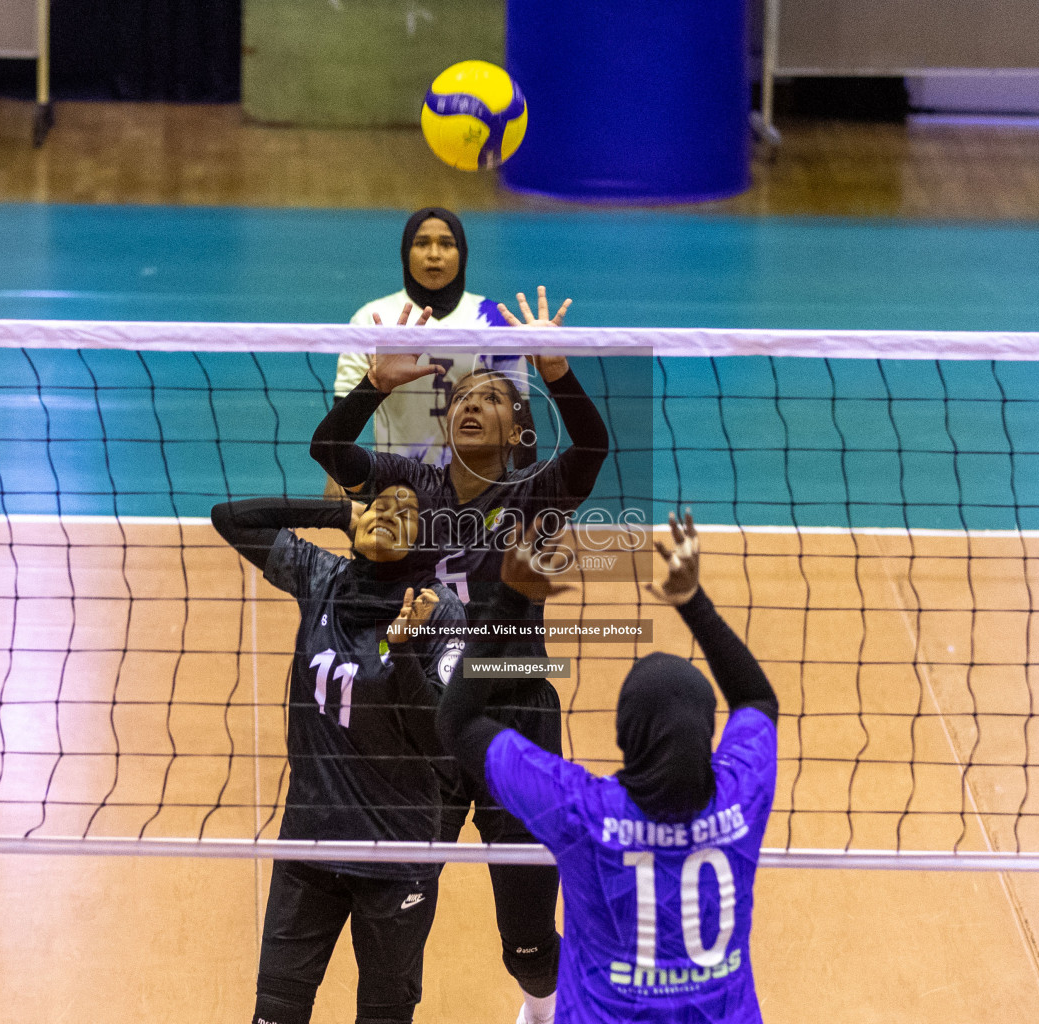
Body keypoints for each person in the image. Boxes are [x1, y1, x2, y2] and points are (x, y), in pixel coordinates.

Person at [310, 286, 606, 1024]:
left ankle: (545, 1007)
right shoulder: (412, 484)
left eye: (495, 398)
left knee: (529, 944)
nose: (473, 404)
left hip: (515, 715)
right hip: (424, 718)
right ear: (446, 421)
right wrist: (372, 392)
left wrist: (558, 373)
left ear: (517, 429)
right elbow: (329, 452)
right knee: (399, 908)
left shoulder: (537, 494)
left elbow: (592, 448)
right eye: (463, 397)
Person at [437, 512, 780, 1024]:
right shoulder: (740, 796)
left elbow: (458, 721)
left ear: (623, 738)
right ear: (708, 731)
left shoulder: (582, 813)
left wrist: (509, 599)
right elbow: (756, 697)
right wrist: (694, 602)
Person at [210, 480, 467, 1024]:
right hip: (309, 843)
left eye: (408, 512)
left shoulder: (439, 613)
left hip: (396, 856)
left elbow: (440, 740)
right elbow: (230, 517)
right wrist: (337, 511)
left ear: (426, 539)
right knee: (274, 1013)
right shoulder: (322, 577)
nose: (388, 514)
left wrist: (401, 653)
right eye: (379, 505)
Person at [335, 207, 524, 469]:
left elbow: (520, 415)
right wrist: (334, 478)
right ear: (405, 253)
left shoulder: (495, 319)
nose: (434, 255)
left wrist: (528, 494)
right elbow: (342, 410)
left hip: (479, 486)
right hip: (396, 484)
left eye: (446, 244)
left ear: (462, 254)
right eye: (422, 243)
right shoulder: (372, 318)